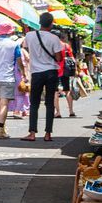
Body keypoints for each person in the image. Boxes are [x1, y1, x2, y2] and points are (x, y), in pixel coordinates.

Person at [22, 12, 64, 141]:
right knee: (49, 102)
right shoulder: (54, 39)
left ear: (39, 22)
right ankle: (48, 134)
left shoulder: (29, 36)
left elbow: (25, 47)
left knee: (34, 103)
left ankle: (32, 133)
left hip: (37, 73)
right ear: (51, 24)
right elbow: (58, 58)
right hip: (51, 72)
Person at [55, 32, 77, 118]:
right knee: (67, 91)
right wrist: (75, 70)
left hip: (55, 70)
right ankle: (71, 111)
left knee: (55, 92)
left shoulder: (52, 45)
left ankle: (58, 112)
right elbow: (72, 59)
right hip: (66, 71)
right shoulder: (66, 46)